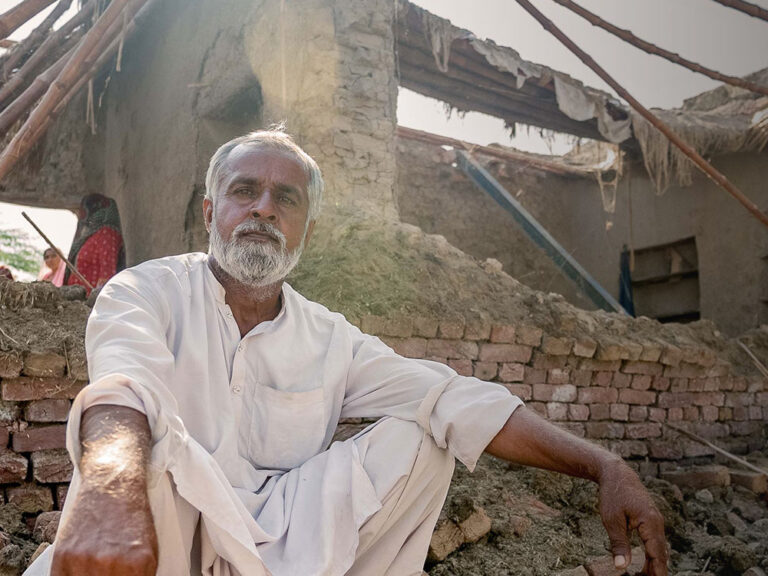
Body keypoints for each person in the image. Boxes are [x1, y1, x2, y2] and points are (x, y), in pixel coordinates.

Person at [29, 128, 668, 576]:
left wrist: (605, 465)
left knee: (426, 434)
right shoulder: (147, 290)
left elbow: (454, 397)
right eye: (243, 190)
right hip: (158, 534)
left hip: (281, 552)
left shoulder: (329, 336)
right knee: (142, 440)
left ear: (307, 225)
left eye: (287, 199)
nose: (262, 209)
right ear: (209, 211)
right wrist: (110, 494)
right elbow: (123, 389)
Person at [64, 193, 126, 294]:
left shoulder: (107, 234)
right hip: (79, 299)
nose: (83, 217)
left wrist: (97, 301)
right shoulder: (91, 236)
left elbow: (107, 274)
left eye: (85, 211)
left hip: (89, 303)